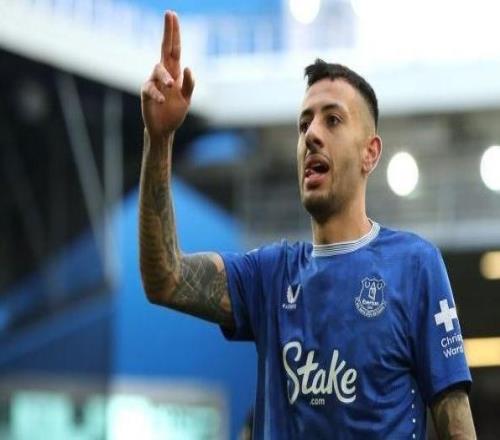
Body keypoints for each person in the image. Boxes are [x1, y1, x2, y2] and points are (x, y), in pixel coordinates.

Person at [139, 11, 476, 439]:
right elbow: (165, 279)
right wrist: (159, 140)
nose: (311, 134)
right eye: (304, 124)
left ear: (370, 153)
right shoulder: (268, 276)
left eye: (332, 120)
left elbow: (456, 421)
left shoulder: (414, 265)